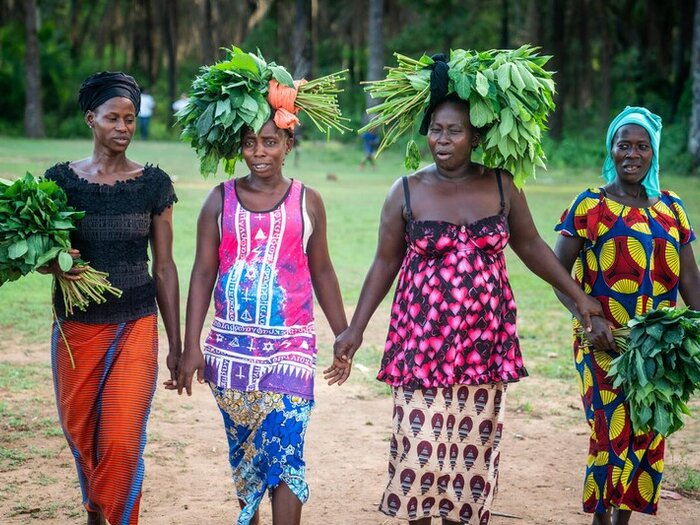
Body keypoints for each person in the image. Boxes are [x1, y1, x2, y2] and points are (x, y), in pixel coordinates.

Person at [332, 55, 605, 525]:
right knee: (420, 453)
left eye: (454, 130)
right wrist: (355, 329)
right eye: (436, 129)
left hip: (484, 343)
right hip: (420, 343)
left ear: (475, 135)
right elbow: (384, 263)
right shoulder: (406, 191)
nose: (442, 139)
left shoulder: (501, 186)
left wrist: (580, 298)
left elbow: (532, 245)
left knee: (471, 457)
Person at [177, 80, 349, 524]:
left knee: (287, 456)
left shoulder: (308, 201)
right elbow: (201, 273)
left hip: (289, 349)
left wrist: (343, 331)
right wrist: (191, 344)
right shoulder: (219, 200)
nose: (259, 152)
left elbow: (324, 269)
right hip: (228, 353)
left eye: (270, 142)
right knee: (248, 463)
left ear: (288, 143)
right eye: (250, 142)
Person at [40, 71, 181, 525]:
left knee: (120, 441)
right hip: (76, 327)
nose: (122, 127)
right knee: (82, 434)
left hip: (135, 324)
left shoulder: (153, 184)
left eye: (130, 119)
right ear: (91, 119)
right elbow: (44, 259)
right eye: (113, 118)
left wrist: (177, 344)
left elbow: (164, 266)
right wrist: (56, 264)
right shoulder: (59, 182)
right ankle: (96, 513)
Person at [553, 106, 700, 525]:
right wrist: (589, 318)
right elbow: (559, 276)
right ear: (611, 149)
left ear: (654, 153)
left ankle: (622, 521)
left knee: (645, 433)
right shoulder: (589, 206)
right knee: (609, 430)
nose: (632, 154)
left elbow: (691, 282)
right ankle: (601, 521)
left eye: (642, 146)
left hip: (658, 349)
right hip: (603, 342)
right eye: (624, 145)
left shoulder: (672, 209)